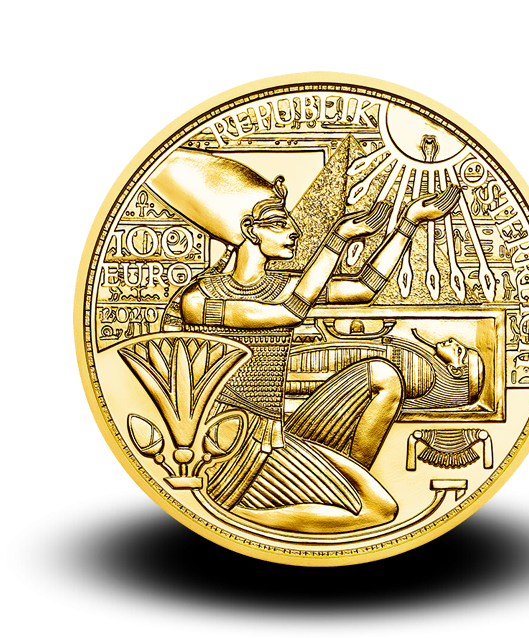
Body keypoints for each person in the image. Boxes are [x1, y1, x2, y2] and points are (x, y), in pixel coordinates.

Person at [146, 149, 460, 533]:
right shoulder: (199, 300)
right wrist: (335, 239)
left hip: (274, 432)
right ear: (250, 230)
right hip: (227, 441)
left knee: (381, 376)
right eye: (279, 223)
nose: (294, 230)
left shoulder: (282, 285)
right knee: (378, 511)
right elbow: (290, 312)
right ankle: (230, 517)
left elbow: (363, 289)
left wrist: (408, 223)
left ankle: (316, 491)